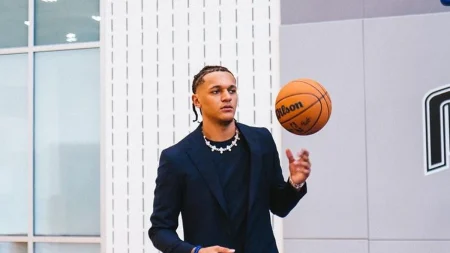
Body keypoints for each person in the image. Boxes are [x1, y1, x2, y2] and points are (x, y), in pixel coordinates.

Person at [148, 65, 311, 253]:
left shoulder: (261, 141)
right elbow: (160, 229)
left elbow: (279, 206)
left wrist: (295, 183)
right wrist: (196, 251)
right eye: (216, 91)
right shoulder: (176, 158)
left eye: (232, 90)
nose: (227, 97)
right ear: (196, 100)